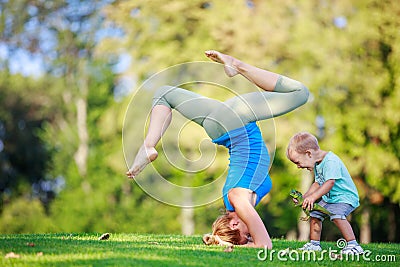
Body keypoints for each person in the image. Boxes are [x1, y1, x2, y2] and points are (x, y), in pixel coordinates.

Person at [126, 50, 309, 248]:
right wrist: (221, 240)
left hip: (237, 120)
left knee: (300, 93)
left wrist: (237, 243)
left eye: (245, 235)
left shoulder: (238, 200)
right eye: (248, 238)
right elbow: (243, 235)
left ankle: (237, 65)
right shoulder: (232, 201)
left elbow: (264, 245)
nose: (250, 235)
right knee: (163, 94)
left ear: (234, 222)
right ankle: (148, 146)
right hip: (219, 127)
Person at [286, 132, 364, 254]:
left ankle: (353, 245)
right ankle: (314, 244)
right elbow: (317, 183)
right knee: (315, 214)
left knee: (336, 215)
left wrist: (313, 197)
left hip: (345, 197)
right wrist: (305, 197)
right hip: (331, 199)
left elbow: (329, 183)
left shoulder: (330, 161)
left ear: (308, 153)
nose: (298, 167)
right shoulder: (318, 163)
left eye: (297, 162)